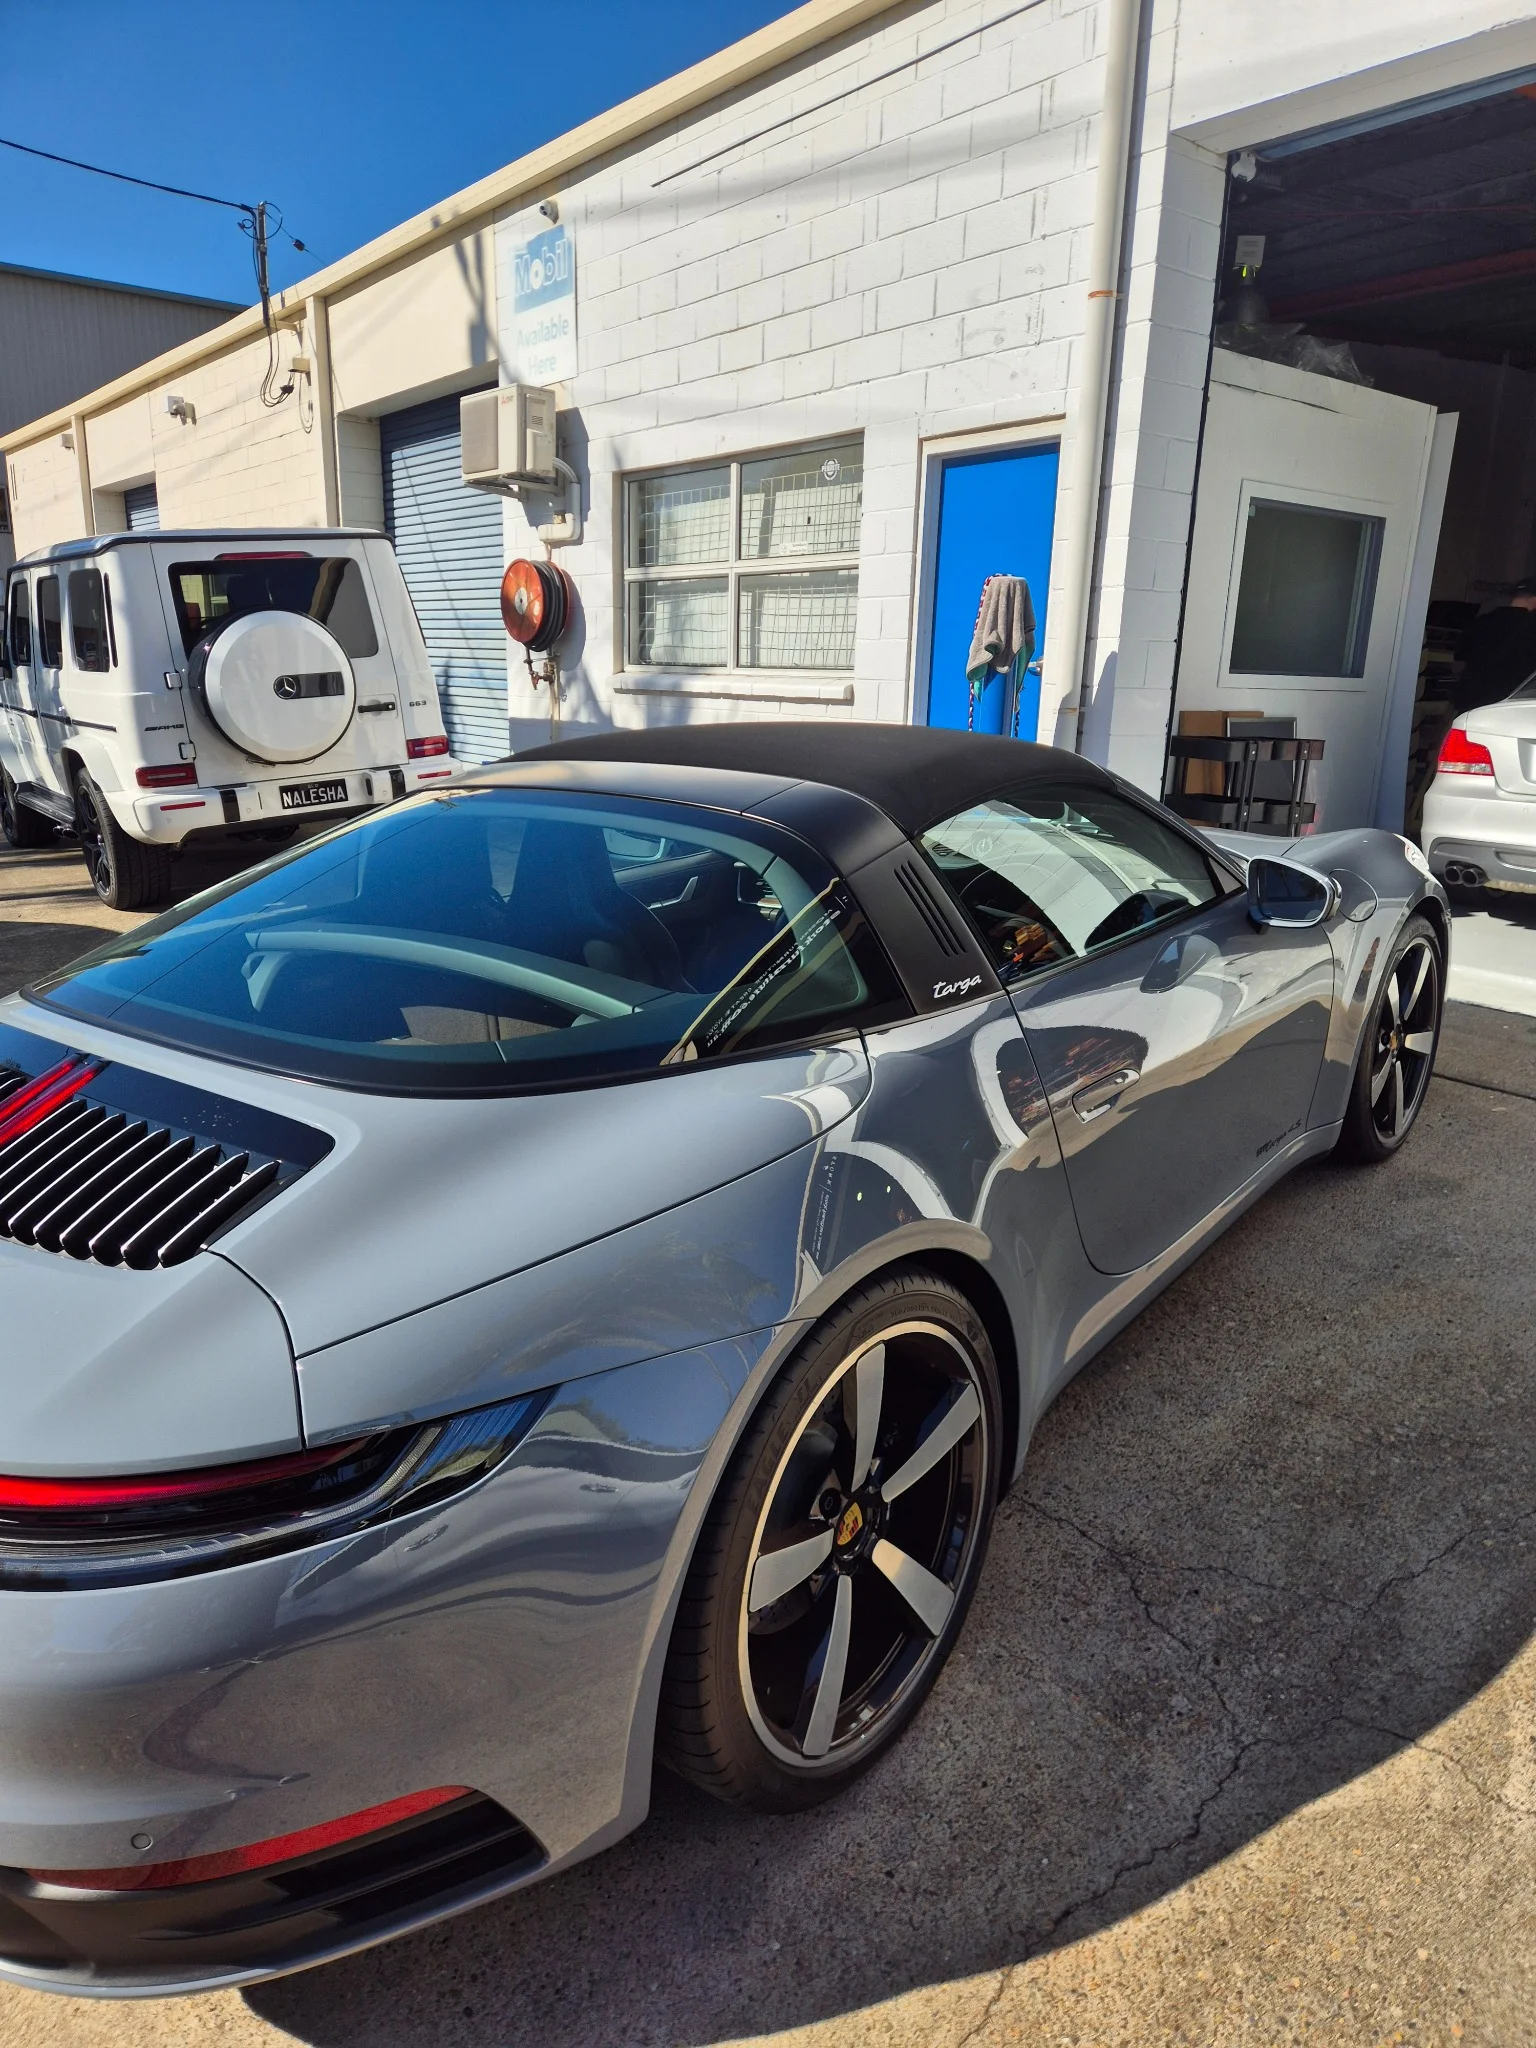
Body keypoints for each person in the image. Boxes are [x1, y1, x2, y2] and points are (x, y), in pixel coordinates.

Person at [1450, 579, 1536, 715]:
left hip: (1471, 701)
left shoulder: (1481, 622)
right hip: (1508, 706)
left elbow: (1459, 657)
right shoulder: (1531, 628)